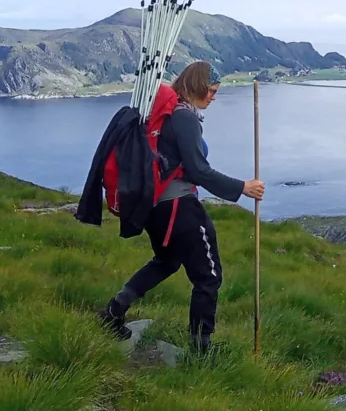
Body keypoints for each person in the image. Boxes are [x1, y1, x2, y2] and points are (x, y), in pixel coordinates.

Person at [98, 61, 265, 354]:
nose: (213, 97)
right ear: (198, 86)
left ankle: (113, 310)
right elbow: (199, 170)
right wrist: (242, 188)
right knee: (209, 276)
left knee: (166, 262)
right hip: (179, 207)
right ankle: (202, 349)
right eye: (211, 91)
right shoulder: (183, 117)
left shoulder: (165, 115)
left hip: (156, 207)